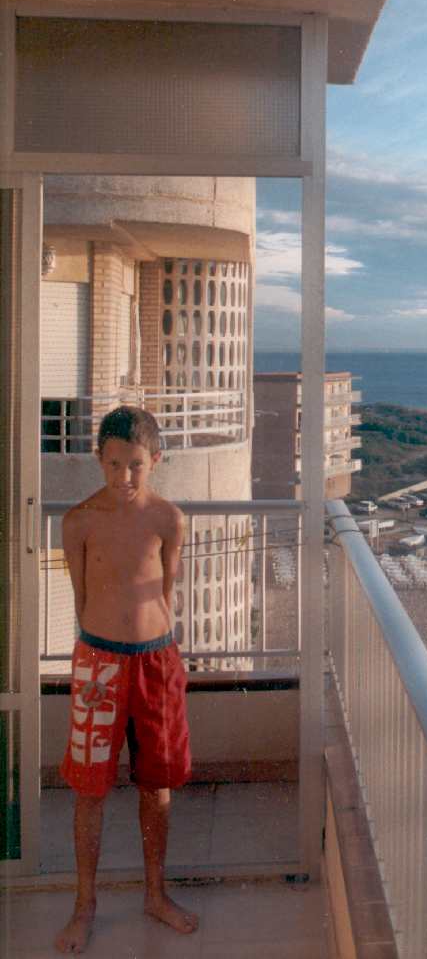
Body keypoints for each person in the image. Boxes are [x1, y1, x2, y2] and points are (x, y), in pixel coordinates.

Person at [55, 406, 197, 954]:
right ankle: (84, 904)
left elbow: (166, 590)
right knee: (89, 790)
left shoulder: (169, 518)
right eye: (113, 464)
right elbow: (83, 595)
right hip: (99, 663)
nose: (124, 477)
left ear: (156, 460)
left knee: (156, 784)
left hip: (156, 661)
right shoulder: (79, 520)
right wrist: (106, 643)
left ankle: (155, 894)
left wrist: (151, 643)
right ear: (99, 460)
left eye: (136, 465)